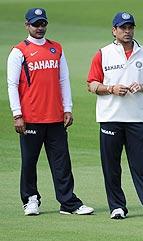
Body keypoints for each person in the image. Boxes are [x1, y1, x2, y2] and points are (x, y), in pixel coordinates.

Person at [86, 11, 143, 220]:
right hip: (110, 117)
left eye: (130, 27)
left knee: (142, 165)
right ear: (114, 30)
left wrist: (142, 86)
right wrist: (111, 89)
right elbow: (92, 84)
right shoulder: (103, 53)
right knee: (112, 166)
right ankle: (117, 207)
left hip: (137, 118)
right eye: (123, 28)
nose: (127, 31)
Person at [7, 8, 94, 216]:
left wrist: (68, 108)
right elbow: (12, 84)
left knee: (62, 161)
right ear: (27, 25)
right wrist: (17, 114)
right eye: (35, 24)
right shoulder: (19, 51)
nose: (40, 28)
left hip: (55, 117)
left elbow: (63, 80)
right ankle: (30, 200)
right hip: (31, 118)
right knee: (29, 161)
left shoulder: (57, 48)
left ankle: (68, 203)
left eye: (43, 24)